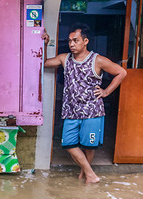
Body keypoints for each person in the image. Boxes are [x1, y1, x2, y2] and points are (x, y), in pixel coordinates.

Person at [42, 23, 127, 184]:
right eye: (69, 41)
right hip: (71, 110)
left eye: (76, 40)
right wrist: (44, 44)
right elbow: (44, 63)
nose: (72, 44)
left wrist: (105, 92)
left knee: (89, 146)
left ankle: (85, 173)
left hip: (92, 111)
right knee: (68, 144)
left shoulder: (98, 60)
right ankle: (91, 174)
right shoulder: (64, 58)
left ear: (85, 41)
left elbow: (121, 72)